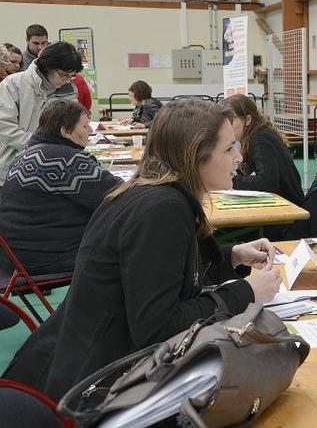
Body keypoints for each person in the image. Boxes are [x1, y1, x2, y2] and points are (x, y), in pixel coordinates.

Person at [3, 99, 282, 401]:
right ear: (197, 155)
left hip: (73, 365)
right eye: (228, 148)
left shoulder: (152, 195)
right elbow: (158, 327)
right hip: (90, 389)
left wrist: (232, 255)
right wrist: (246, 293)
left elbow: (164, 270)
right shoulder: (163, 210)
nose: (239, 157)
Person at [0, 100, 121, 275]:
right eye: (85, 126)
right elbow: (117, 193)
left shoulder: (24, 155)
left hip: (14, 258)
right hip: (51, 258)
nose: (90, 131)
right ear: (65, 131)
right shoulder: (67, 160)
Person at [0, 41, 82, 198]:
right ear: (48, 67)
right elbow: (4, 125)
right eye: (63, 75)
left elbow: (71, 126)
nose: (66, 80)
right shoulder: (13, 84)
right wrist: (39, 146)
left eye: (71, 76)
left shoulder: (68, 94)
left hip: (50, 170)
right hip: (9, 169)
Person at [224, 94, 304, 239]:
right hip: (277, 210)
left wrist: (229, 182)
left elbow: (267, 182)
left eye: (231, 120)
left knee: (222, 231)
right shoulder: (257, 135)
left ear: (247, 120)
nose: (226, 125)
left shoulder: (260, 139)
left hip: (285, 219)